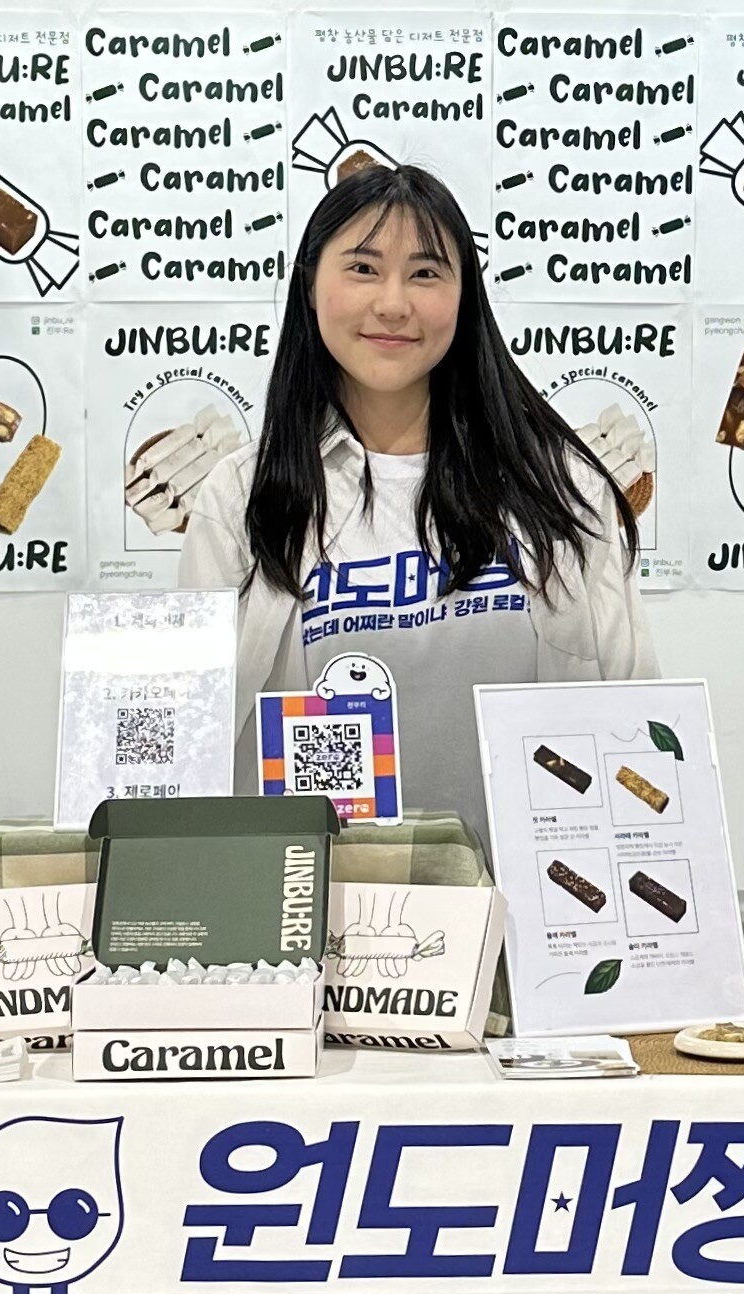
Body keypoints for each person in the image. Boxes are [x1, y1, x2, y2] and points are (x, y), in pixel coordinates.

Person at [182, 164, 658, 846]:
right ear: (310, 284)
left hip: (528, 895)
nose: (393, 303)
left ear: (465, 296)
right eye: (363, 269)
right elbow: (192, 744)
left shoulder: (561, 487)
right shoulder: (243, 498)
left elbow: (633, 707)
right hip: (324, 895)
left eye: (426, 273)